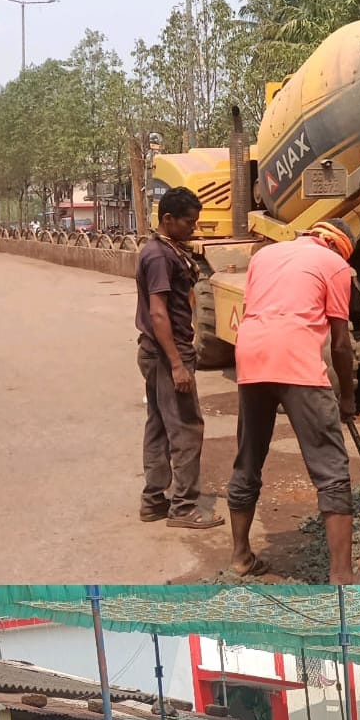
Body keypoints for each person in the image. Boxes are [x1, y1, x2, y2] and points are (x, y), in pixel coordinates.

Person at [226, 220, 358, 581]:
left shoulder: (264, 255)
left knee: (248, 459)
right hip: (296, 363)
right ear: (338, 246)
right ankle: (342, 575)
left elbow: (260, 310)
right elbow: (341, 344)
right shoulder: (336, 266)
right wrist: (347, 396)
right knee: (331, 472)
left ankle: (240, 557)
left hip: (251, 358)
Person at [135, 186, 222, 529]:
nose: (193, 228)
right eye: (188, 222)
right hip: (165, 353)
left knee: (158, 426)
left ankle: (153, 500)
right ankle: (184, 506)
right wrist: (177, 364)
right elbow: (159, 314)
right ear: (168, 220)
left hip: (156, 352)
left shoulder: (166, 250)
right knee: (186, 428)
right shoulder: (158, 256)